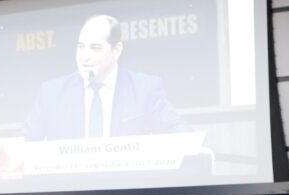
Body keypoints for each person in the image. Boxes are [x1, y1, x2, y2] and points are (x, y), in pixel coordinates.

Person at [24, 15, 193, 140]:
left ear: (116, 50)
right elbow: (22, 144)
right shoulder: (52, 92)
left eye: (95, 48)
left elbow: (179, 132)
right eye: (81, 47)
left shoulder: (144, 89)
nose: (85, 57)